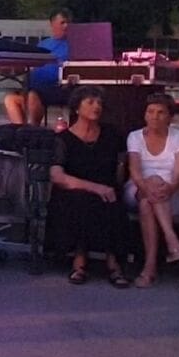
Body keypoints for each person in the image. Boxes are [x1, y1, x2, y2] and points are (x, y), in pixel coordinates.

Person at [47, 86, 130, 287]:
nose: (96, 107)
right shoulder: (63, 139)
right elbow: (57, 176)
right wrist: (94, 187)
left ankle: (113, 262)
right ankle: (79, 259)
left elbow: (120, 168)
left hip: (106, 187)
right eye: (90, 102)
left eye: (99, 103)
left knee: (111, 199)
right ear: (77, 107)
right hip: (74, 189)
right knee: (82, 201)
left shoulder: (112, 134)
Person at [124, 93, 179, 287]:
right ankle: (172, 242)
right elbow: (135, 171)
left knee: (147, 204)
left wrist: (169, 188)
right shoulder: (135, 137)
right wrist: (148, 186)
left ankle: (149, 267)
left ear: (170, 116)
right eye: (150, 111)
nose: (155, 116)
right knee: (151, 183)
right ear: (145, 114)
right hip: (137, 187)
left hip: (170, 190)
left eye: (161, 112)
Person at [4, 8, 71, 125]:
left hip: (57, 88)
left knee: (32, 96)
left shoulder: (73, 45)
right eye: (62, 22)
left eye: (68, 23)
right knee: (10, 100)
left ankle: (33, 128)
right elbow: (28, 65)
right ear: (52, 24)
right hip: (33, 88)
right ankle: (21, 131)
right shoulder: (43, 44)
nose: (66, 26)